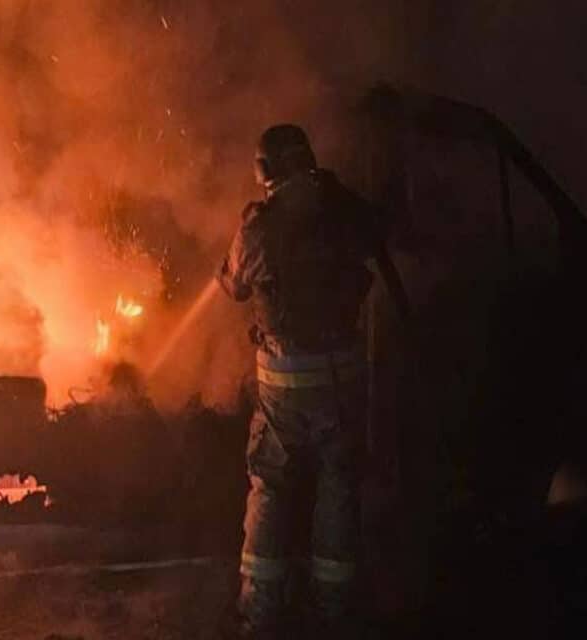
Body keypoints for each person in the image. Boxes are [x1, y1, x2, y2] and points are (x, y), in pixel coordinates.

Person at [217, 124, 403, 637]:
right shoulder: (341, 211)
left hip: (281, 390)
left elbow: (232, 284)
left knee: (271, 487)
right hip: (342, 383)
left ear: (265, 171)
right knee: (338, 486)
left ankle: (261, 607)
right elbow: (380, 233)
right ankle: (335, 606)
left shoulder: (260, 226)